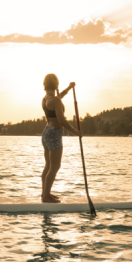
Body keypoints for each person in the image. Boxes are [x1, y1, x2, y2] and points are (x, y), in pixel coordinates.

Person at [41, 74, 82, 203]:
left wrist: (69, 88)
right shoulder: (55, 100)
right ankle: (46, 196)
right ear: (56, 85)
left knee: (48, 166)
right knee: (55, 167)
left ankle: (45, 193)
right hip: (54, 133)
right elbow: (62, 120)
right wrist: (75, 132)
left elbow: (59, 97)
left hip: (46, 132)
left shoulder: (46, 99)